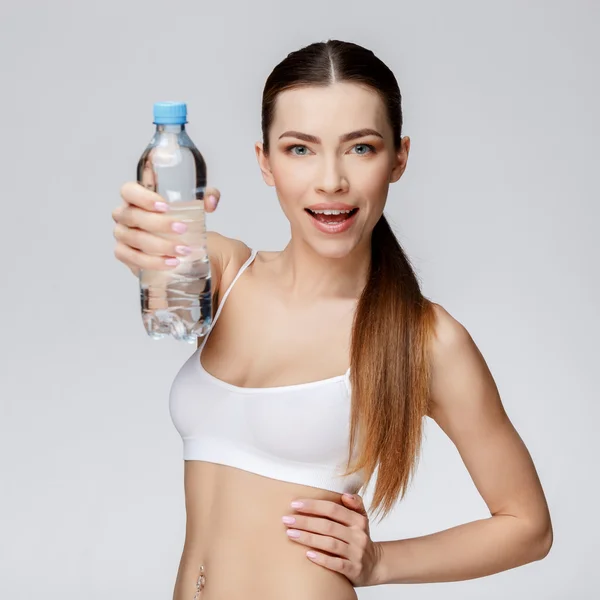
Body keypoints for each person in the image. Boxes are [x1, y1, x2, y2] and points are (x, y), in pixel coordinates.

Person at [112, 39, 552, 600]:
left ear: (399, 157)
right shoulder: (225, 274)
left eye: (360, 148)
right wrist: (144, 232)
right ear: (264, 161)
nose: (330, 181)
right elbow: (163, 252)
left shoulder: (426, 340)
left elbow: (528, 527)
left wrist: (381, 563)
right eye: (300, 149)